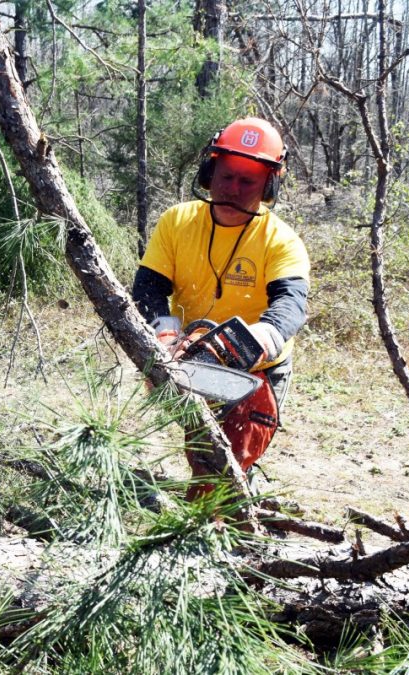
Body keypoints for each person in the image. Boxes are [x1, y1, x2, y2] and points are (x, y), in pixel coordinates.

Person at [130, 117, 310, 497]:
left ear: (269, 185)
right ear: (210, 171)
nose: (233, 190)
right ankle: (220, 494)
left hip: (258, 368)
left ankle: (231, 505)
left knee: (232, 459)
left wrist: (257, 338)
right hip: (190, 354)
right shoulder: (177, 222)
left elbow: (290, 304)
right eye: (227, 176)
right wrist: (166, 335)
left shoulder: (282, 241)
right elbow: (148, 287)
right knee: (202, 449)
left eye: (248, 181)